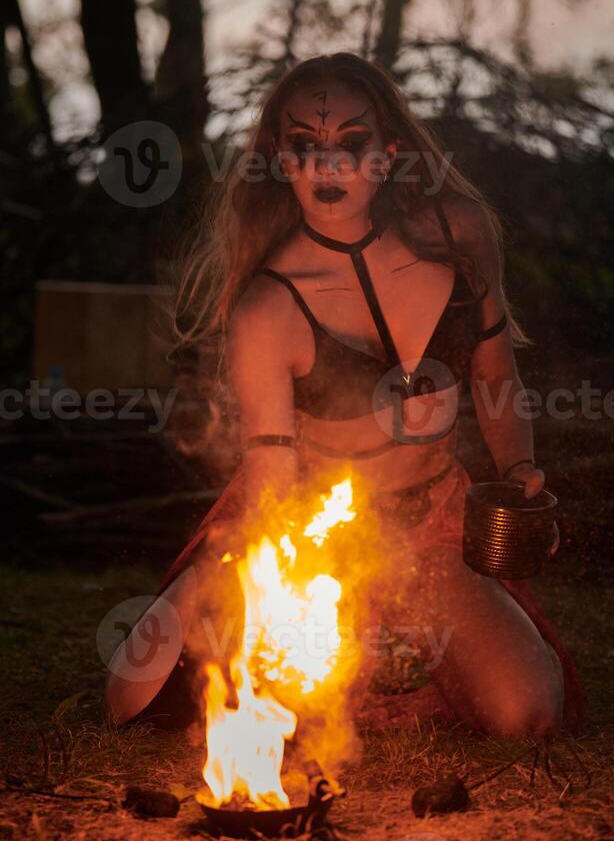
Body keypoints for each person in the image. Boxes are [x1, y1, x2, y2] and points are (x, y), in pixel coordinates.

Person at [104, 53, 584, 738]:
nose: (327, 167)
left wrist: (518, 473)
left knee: (527, 714)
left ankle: (398, 646)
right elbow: (272, 486)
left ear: (389, 153)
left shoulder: (460, 235)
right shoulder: (268, 310)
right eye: (304, 147)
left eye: (350, 144)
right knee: (133, 695)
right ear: (280, 158)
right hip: (305, 527)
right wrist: (275, 582)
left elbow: (496, 377)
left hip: (429, 530)